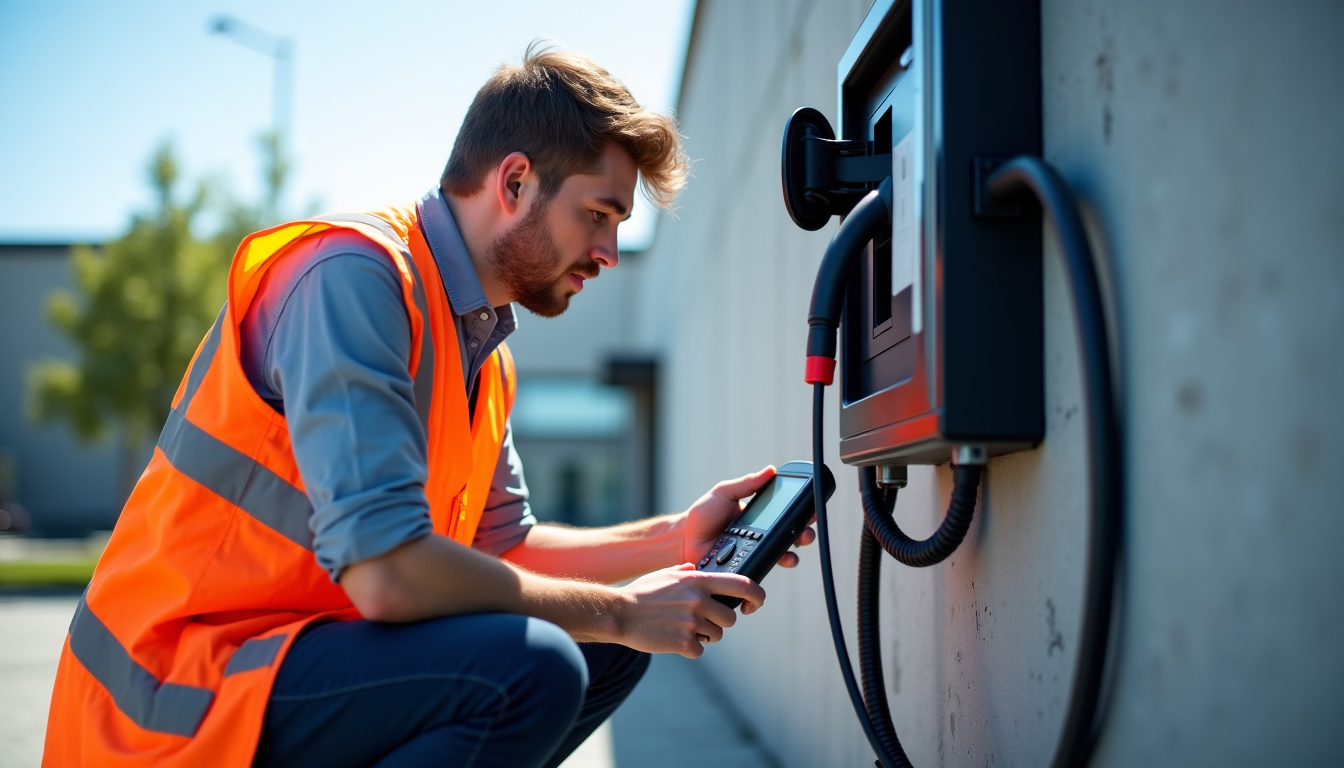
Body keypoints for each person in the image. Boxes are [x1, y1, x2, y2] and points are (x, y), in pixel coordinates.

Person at [43, 43, 815, 768]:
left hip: (291, 660)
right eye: (599, 214)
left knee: (603, 649)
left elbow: (504, 554)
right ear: (514, 184)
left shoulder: (482, 351)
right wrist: (618, 609)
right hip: (172, 689)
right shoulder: (352, 278)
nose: (610, 252)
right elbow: (385, 573)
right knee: (540, 662)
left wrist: (673, 539)